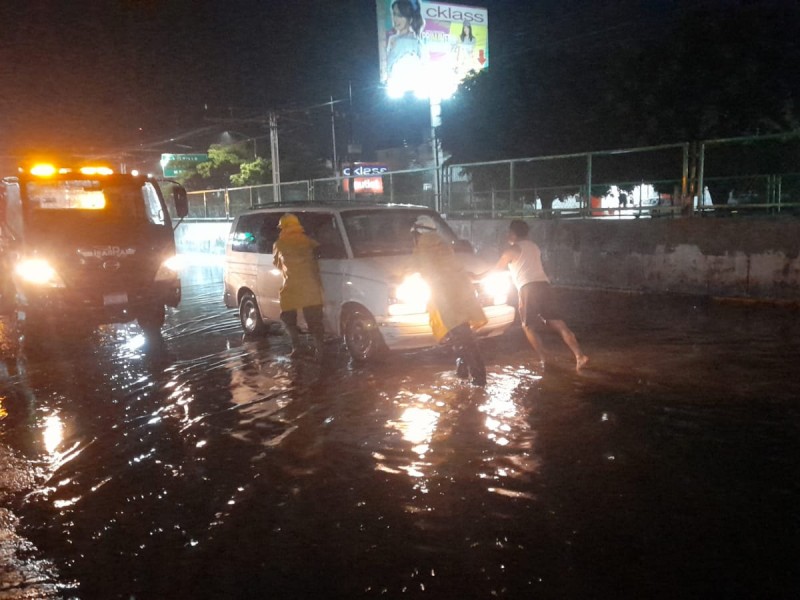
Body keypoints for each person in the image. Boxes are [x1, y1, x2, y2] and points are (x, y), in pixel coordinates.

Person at [483, 219, 588, 371]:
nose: (507, 234)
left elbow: (496, 269)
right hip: (544, 285)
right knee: (557, 322)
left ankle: (545, 359)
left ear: (512, 233)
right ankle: (580, 356)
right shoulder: (534, 247)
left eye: (509, 232)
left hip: (528, 288)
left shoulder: (512, 250)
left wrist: (476, 277)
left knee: (527, 326)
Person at [411, 214, 488, 386]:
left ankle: (478, 379)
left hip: (447, 298)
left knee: (462, 336)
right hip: (461, 293)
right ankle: (463, 373)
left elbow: (423, 268)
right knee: (461, 334)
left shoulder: (424, 245)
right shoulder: (441, 242)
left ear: (417, 232)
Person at [272, 213, 325, 358]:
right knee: (315, 321)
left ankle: (297, 347)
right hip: (311, 288)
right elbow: (320, 256)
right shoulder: (309, 242)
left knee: (288, 318)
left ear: (283, 228)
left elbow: (277, 264)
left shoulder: (279, 244)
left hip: (291, 288)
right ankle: (320, 351)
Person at [386, 0, 425, 83]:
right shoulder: (393, 39)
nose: (395, 19)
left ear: (410, 18)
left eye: (400, 15)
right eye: (394, 14)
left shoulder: (413, 42)